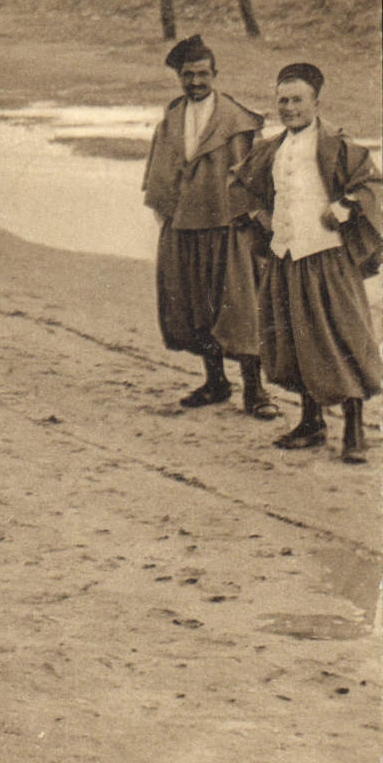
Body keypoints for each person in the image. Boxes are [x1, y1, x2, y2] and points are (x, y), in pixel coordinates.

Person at [233, 62, 382, 463]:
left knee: (340, 337)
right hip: (286, 257)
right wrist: (262, 220)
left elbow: (371, 184)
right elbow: (245, 186)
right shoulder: (273, 148)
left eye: (297, 100)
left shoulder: (337, 144)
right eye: (282, 100)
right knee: (295, 340)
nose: (289, 108)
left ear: (316, 101)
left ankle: (353, 431)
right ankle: (311, 422)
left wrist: (344, 207)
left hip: (327, 258)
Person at [142, 35, 274, 417]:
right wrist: (167, 215)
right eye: (188, 75)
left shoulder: (237, 120)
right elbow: (160, 175)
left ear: (215, 75)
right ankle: (216, 382)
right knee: (194, 307)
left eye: (202, 74)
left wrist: (254, 224)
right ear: (180, 77)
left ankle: (256, 390)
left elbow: (258, 177)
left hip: (227, 228)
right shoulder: (171, 120)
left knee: (240, 310)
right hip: (183, 227)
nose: (195, 82)